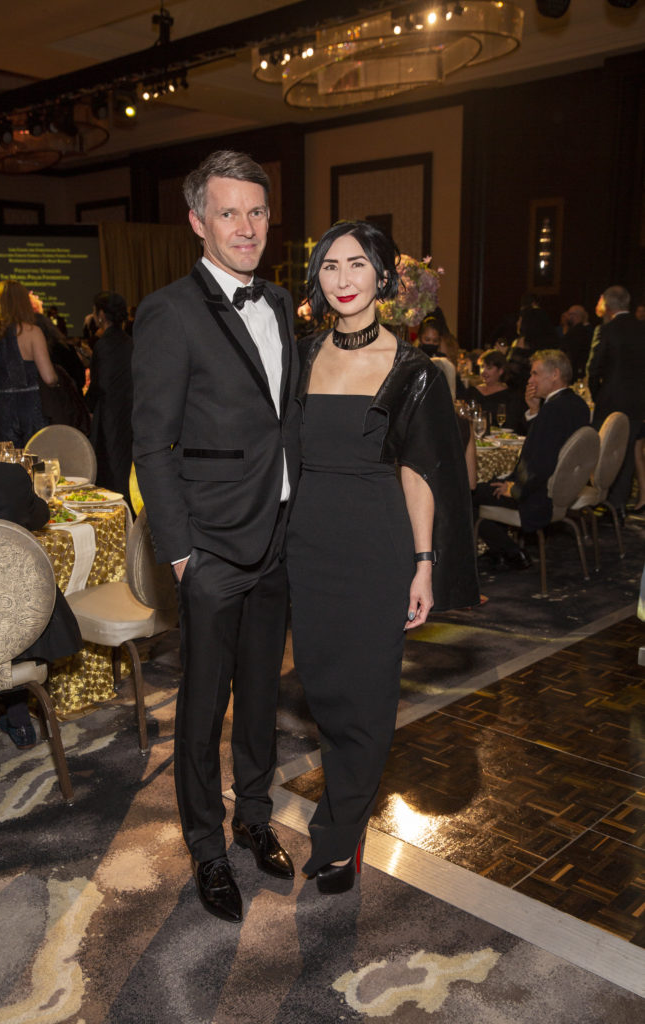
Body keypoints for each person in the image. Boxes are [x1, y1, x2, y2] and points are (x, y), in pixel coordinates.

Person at [132, 150, 300, 923]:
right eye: (228, 212)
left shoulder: (283, 302)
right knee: (202, 708)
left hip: (277, 539)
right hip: (210, 549)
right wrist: (180, 552)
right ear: (197, 221)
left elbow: (280, 423)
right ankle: (205, 847)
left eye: (256, 211)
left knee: (262, 696)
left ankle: (253, 818)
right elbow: (151, 443)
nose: (245, 226)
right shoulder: (170, 310)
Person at [287, 221, 479, 894]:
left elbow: (420, 471)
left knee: (366, 700)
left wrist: (423, 561)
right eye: (330, 265)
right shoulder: (300, 356)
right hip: (307, 542)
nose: (342, 278)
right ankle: (345, 813)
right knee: (322, 689)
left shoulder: (413, 370)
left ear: (381, 278)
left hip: (376, 544)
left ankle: (339, 835)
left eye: (356, 265)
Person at [0, 452, 82, 753]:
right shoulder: (9, 476)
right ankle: (20, 721)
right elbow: (41, 516)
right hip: (19, 624)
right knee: (8, 599)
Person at [473, 349, 591, 571]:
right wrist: (535, 410)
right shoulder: (577, 404)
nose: (530, 380)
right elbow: (550, 446)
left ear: (554, 374)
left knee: (465, 494)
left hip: (537, 496)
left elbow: (541, 462)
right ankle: (500, 551)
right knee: (486, 487)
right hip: (562, 491)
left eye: (535, 373)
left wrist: (516, 489)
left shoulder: (554, 410)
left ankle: (511, 551)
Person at [0, 280, 58, 450]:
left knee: (7, 471)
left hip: (1, 415)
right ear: (22, 303)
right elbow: (49, 378)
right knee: (37, 468)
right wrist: (58, 381)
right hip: (33, 412)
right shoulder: (32, 332)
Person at [586, 285, 645, 519]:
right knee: (629, 450)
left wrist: (598, 394)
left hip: (610, 399)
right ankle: (618, 505)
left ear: (608, 307)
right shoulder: (642, 329)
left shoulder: (607, 330)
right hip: (638, 402)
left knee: (603, 450)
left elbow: (594, 369)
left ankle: (601, 500)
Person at [86, 291, 133, 502]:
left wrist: (86, 406)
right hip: (130, 410)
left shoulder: (103, 344)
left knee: (108, 465)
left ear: (102, 315)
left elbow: (99, 384)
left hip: (109, 414)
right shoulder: (130, 342)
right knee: (125, 462)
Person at [474, 349, 526, 433]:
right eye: (482, 367)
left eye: (489, 368)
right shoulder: (472, 391)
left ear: (500, 371)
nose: (483, 372)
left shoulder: (511, 396)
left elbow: (512, 426)